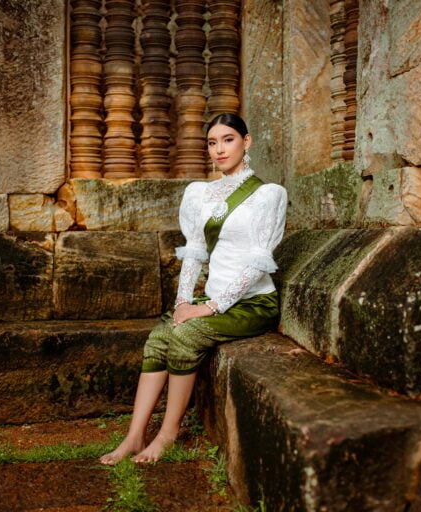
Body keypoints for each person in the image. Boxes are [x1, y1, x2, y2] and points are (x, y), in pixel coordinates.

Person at [99, 113, 288, 464]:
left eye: (228, 139)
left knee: (185, 337)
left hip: (251, 304)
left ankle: (168, 435)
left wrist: (209, 307)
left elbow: (258, 261)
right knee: (160, 336)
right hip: (211, 299)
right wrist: (184, 301)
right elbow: (195, 253)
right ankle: (135, 436)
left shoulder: (267, 194)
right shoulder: (199, 193)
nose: (219, 149)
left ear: (246, 142)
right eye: (213, 142)